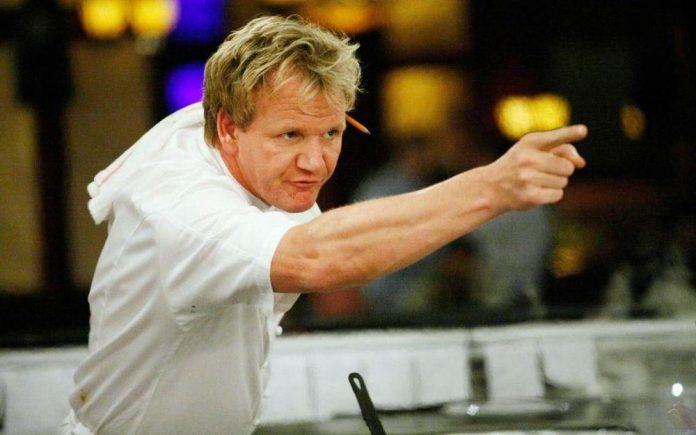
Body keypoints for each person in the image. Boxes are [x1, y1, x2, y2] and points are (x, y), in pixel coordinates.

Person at [63, 15, 587, 435]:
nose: (315, 163)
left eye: (332, 133)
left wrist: (296, 128)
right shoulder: (181, 208)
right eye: (290, 135)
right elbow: (314, 258)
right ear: (227, 128)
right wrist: (492, 187)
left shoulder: (225, 136)